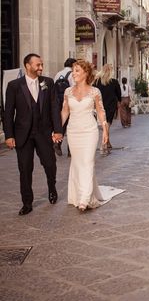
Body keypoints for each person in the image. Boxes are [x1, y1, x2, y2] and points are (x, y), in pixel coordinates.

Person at [2, 53, 63, 215]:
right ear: (28, 66)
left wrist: (58, 130)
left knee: (50, 164)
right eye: (37, 65)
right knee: (25, 169)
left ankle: (52, 187)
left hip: (43, 133)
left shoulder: (48, 83)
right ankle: (27, 203)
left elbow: (54, 108)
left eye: (41, 64)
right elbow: (8, 113)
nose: (41, 68)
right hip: (23, 135)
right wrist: (9, 135)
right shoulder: (14, 86)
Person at [61, 60, 123, 211]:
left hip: (90, 131)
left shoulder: (95, 91)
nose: (73, 73)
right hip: (73, 131)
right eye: (73, 70)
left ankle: (84, 198)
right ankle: (78, 194)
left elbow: (101, 111)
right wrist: (57, 130)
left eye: (77, 71)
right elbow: (64, 111)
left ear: (86, 73)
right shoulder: (68, 91)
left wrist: (105, 130)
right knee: (77, 162)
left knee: (88, 162)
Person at [94, 64, 121, 153]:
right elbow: (118, 93)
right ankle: (104, 142)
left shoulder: (97, 81)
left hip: (100, 104)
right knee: (108, 123)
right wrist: (119, 101)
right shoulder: (114, 81)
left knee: (104, 123)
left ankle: (107, 142)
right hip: (110, 104)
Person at [53, 57, 76, 157]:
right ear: (73, 65)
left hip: (59, 103)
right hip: (70, 103)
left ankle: (57, 143)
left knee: (62, 124)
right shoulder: (72, 74)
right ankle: (70, 150)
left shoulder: (58, 74)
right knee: (71, 126)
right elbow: (75, 89)